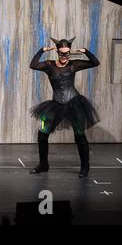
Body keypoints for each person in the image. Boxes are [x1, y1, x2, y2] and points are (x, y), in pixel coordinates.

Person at [29, 37, 100, 178]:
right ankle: (43, 165)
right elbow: (33, 65)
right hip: (55, 105)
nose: (64, 57)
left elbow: (95, 62)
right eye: (61, 53)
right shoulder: (49, 65)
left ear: (70, 53)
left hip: (75, 104)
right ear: (57, 52)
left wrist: (85, 51)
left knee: (80, 135)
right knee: (42, 134)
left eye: (67, 53)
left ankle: (85, 168)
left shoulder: (74, 65)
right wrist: (41, 50)